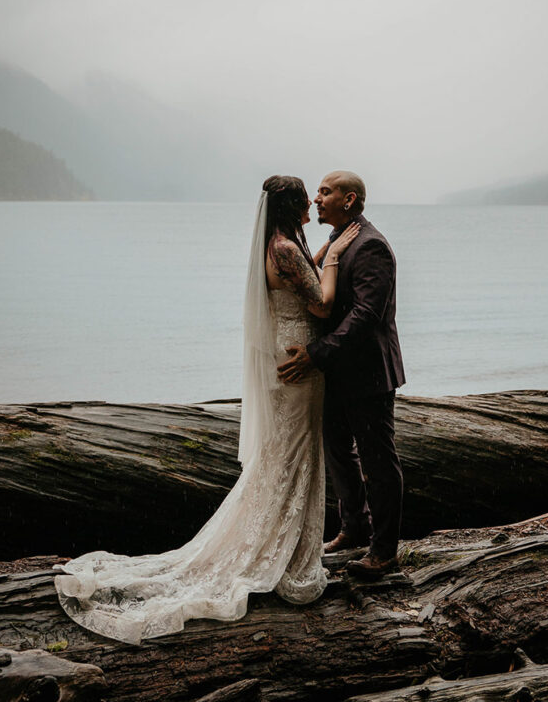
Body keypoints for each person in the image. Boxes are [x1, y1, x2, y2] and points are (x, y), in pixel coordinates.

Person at [54, 175, 358, 644]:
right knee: (292, 453)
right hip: (299, 357)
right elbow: (320, 304)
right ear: (292, 204)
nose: (312, 204)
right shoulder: (284, 247)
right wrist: (335, 257)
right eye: (306, 199)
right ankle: (283, 556)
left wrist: (320, 254)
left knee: (287, 453)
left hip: (287, 352)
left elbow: (299, 275)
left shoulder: (280, 244)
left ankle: (284, 544)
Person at [277, 171, 405, 578]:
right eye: (316, 192)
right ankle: (354, 527)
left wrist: (314, 354)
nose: (316, 199)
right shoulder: (337, 240)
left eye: (325, 192)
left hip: (368, 373)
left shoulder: (371, 247)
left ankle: (384, 551)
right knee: (338, 451)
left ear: (349, 200)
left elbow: (365, 317)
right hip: (338, 370)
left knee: (378, 462)